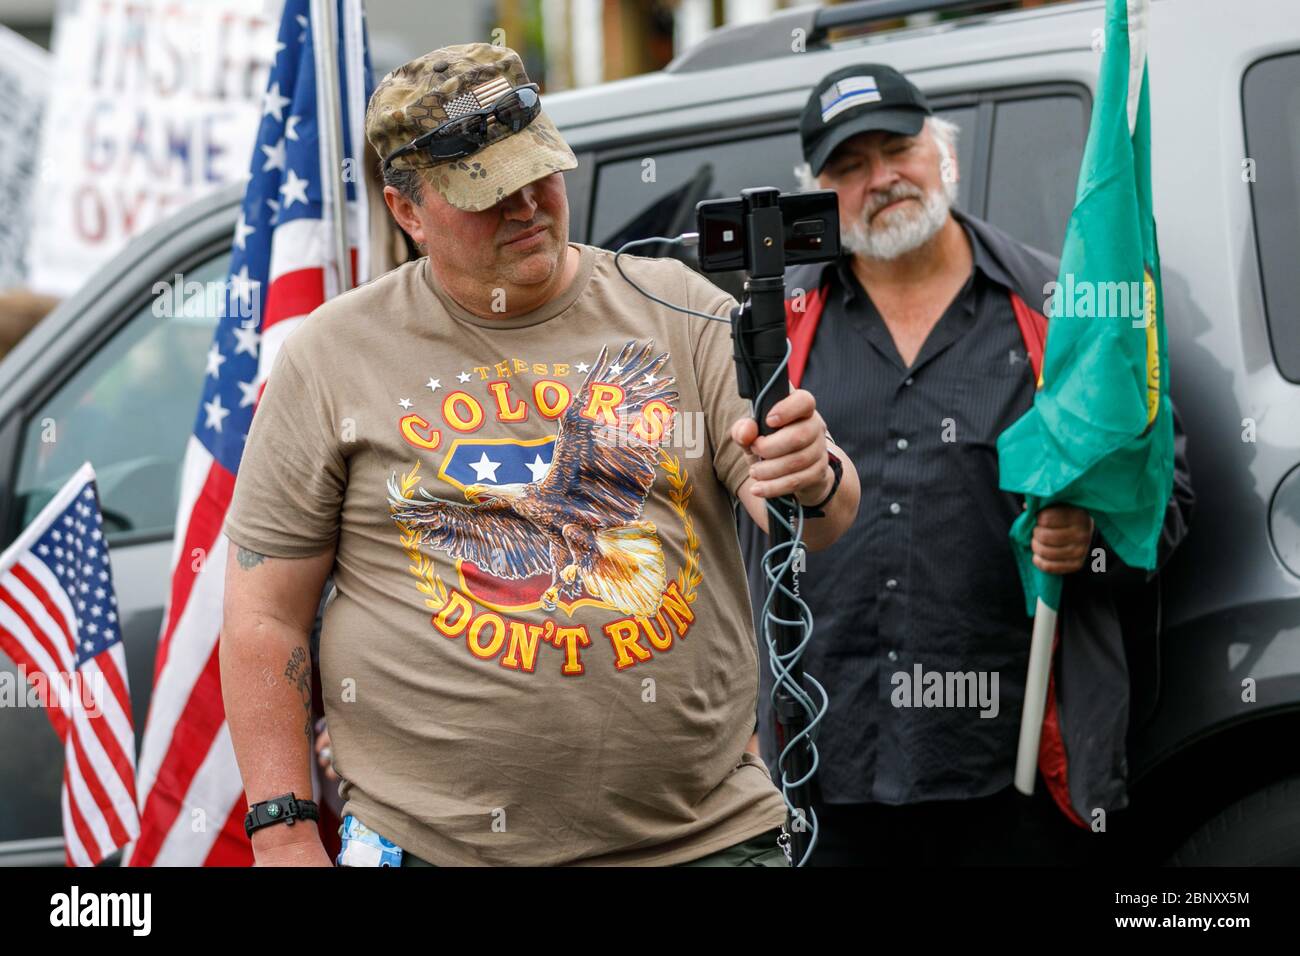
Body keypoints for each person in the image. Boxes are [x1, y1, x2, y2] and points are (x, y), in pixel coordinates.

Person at [219, 42, 859, 868]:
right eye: (487, 192)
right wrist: (283, 831)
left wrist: (814, 473)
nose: (526, 205)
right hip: (434, 848)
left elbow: (810, 515)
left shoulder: (677, 307)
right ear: (407, 211)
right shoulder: (333, 355)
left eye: (538, 172)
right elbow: (264, 614)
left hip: (705, 841)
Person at [738, 64, 1194, 866]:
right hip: (818, 775)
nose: (881, 178)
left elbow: (1165, 500)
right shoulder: (770, 335)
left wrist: (1090, 536)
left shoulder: (1062, 311)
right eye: (849, 165)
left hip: (1015, 778)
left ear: (942, 151)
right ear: (817, 192)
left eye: (898, 148)